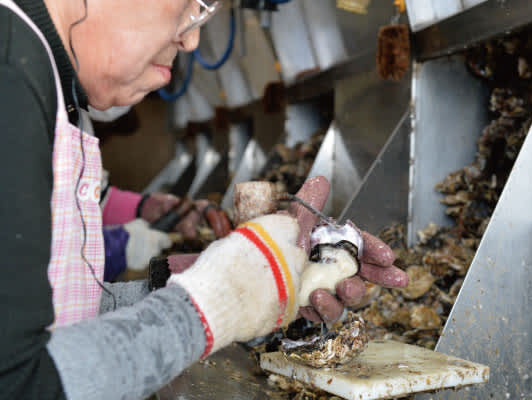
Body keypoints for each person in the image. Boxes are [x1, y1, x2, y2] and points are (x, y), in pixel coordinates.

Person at [0, 0, 409, 399]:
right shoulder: (8, 72)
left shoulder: (47, 80)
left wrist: (199, 281)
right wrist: (213, 304)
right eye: (191, 3)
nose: (193, 40)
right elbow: (18, 381)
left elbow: (56, 323)